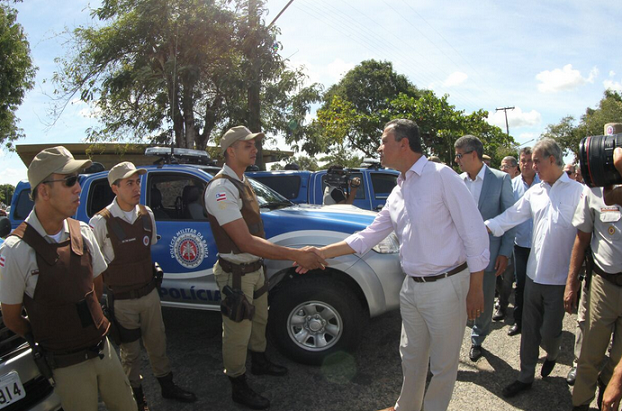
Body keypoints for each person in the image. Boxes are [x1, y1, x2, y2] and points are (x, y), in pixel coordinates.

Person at [305, 119, 489, 411]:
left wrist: (476, 287)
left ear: (404, 143)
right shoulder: (399, 188)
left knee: (443, 364)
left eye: (383, 141)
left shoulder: (442, 176)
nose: (378, 148)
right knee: (411, 356)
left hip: (447, 285)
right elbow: (368, 236)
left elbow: (475, 233)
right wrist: (320, 252)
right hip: (412, 287)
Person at [0, 146, 136, 411]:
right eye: (70, 181)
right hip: (66, 363)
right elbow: (12, 318)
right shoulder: (16, 251)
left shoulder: (82, 232)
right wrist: (53, 332)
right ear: (44, 191)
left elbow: (95, 286)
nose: (78, 188)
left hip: (103, 349)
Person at [204, 125, 327, 410]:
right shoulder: (221, 188)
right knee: (237, 333)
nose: (255, 149)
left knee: (259, 320)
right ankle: (238, 384)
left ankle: (259, 361)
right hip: (236, 273)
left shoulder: (243, 182)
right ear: (231, 150)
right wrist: (296, 255)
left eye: (255, 145)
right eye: (248, 145)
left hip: (254, 269)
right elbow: (244, 241)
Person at [89, 161, 197, 411]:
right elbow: (96, 267)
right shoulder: (101, 222)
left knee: (158, 345)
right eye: (129, 183)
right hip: (122, 301)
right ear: (115, 188)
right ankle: (136, 399)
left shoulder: (147, 213)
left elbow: (146, 252)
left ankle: (167, 386)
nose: (136, 187)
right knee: (130, 354)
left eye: (137, 182)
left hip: (149, 294)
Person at [485, 138, 583, 398]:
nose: (532, 165)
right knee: (529, 332)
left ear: (552, 159)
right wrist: (485, 225)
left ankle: (552, 353)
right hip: (532, 276)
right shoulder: (535, 193)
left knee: (551, 332)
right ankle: (525, 376)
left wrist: (575, 281)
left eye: (537, 160)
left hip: (560, 280)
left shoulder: (577, 193)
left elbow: (585, 238)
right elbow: (512, 216)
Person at [454, 135, 515, 362]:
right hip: (459, 255)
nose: (457, 160)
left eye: (460, 155)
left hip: (489, 254)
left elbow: (509, 218)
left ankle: (477, 339)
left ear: (473, 155)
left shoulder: (500, 180)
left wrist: (504, 253)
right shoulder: (457, 181)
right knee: (460, 298)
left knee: (484, 298)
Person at [507, 147, 540, 337]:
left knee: (538, 285)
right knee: (520, 286)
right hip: (519, 245)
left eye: (530, 160)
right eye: (523, 160)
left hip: (539, 245)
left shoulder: (543, 184)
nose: (526, 164)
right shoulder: (512, 185)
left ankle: (537, 324)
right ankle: (518, 321)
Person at [494, 155, 520, 322]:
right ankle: (499, 299)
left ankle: (502, 306)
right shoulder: (497, 184)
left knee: (508, 277)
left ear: (515, 169)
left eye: (507, 167)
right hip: (496, 234)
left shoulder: (518, 187)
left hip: (513, 238)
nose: (503, 169)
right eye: (501, 166)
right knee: (495, 274)